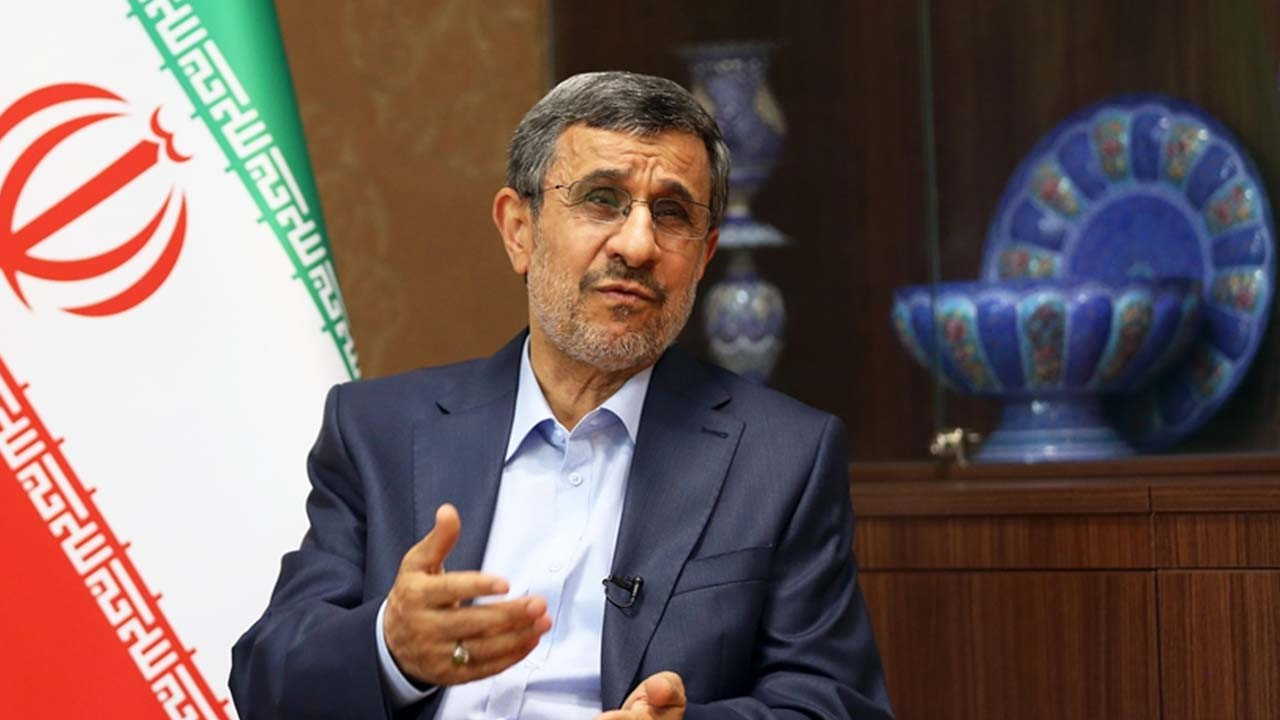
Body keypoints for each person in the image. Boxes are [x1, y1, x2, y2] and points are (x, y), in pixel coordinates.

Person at [230, 71, 893, 720]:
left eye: (671, 214)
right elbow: (266, 681)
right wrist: (390, 649)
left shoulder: (781, 458)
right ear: (518, 229)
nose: (637, 244)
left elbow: (836, 704)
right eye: (602, 199)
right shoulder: (378, 431)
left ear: (704, 254)